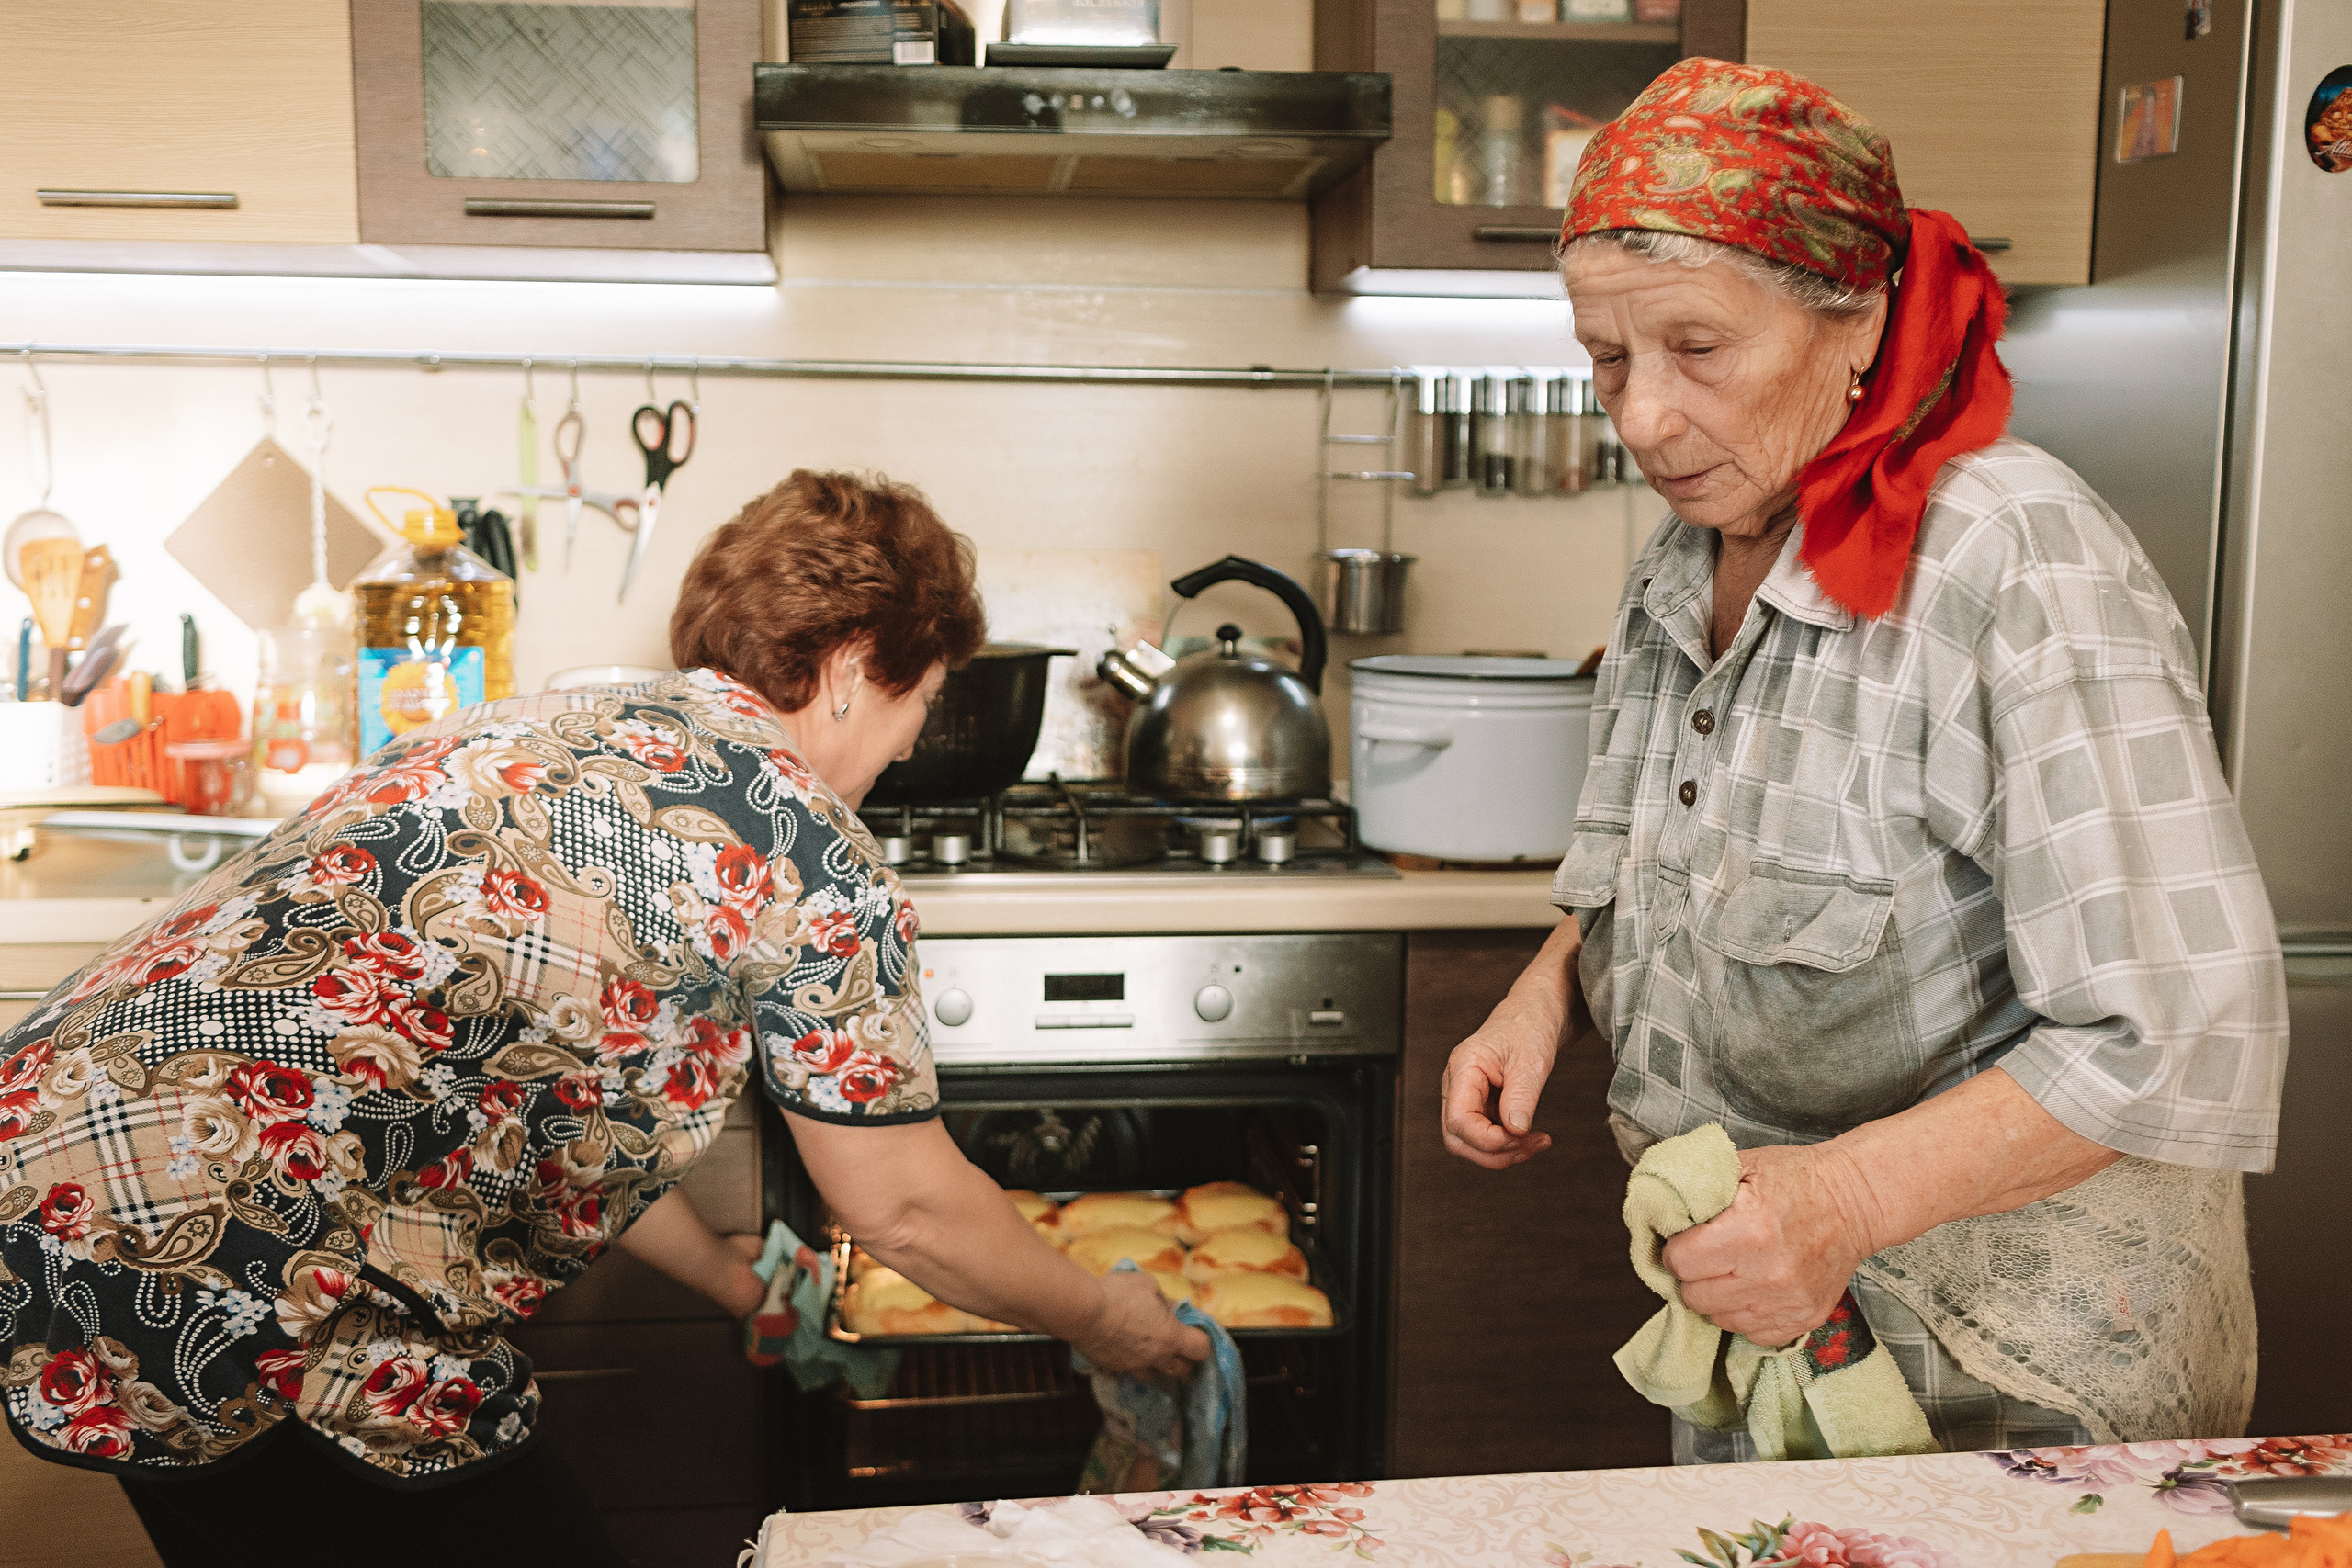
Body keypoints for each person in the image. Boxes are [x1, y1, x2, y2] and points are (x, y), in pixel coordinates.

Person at [0, 469, 1205, 1562]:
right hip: (237, 1274)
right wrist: (1109, 1322)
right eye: (919, 703)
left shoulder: (527, 723)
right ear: (851, 665)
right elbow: (904, 1208)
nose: (900, 752)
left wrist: (742, 1288)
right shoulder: (802, 847)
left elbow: (553, 1098)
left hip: (63, 1206)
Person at [1441, 60, 2287, 1462]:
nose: (1641, 418)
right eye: (1607, 357)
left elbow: (2179, 1026)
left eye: (1696, 350)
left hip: (2013, 1390)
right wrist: (1551, 994)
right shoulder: (1691, 550)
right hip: (1772, 1336)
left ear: (1860, 326)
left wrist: (1836, 1206)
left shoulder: (2010, 554)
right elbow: (1669, 850)